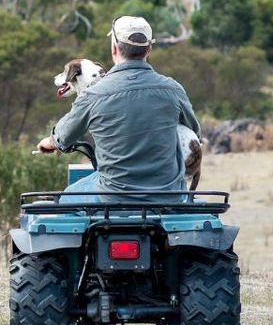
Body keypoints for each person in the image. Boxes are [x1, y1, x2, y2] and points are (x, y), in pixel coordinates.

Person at [38, 16, 200, 193]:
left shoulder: (93, 95)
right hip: (168, 193)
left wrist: (50, 141)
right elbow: (193, 131)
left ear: (114, 49)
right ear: (149, 50)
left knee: (67, 197)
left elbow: (64, 136)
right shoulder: (173, 89)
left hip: (113, 195)